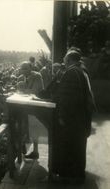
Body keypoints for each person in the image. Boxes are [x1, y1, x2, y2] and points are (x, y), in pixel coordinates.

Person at [52, 49, 95, 183]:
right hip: (81, 116)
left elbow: (67, 98)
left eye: (65, 57)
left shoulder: (71, 72)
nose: (63, 60)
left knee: (71, 145)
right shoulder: (81, 70)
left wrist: (62, 116)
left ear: (69, 59)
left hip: (73, 118)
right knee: (78, 146)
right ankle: (77, 174)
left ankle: (71, 176)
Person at [17, 62, 45, 159]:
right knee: (23, 126)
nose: (23, 70)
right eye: (22, 68)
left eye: (25, 68)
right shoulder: (20, 77)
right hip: (24, 106)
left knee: (34, 129)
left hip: (35, 107)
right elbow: (18, 90)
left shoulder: (37, 76)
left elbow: (36, 91)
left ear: (30, 68)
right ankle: (23, 146)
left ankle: (35, 151)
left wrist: (23, 90)